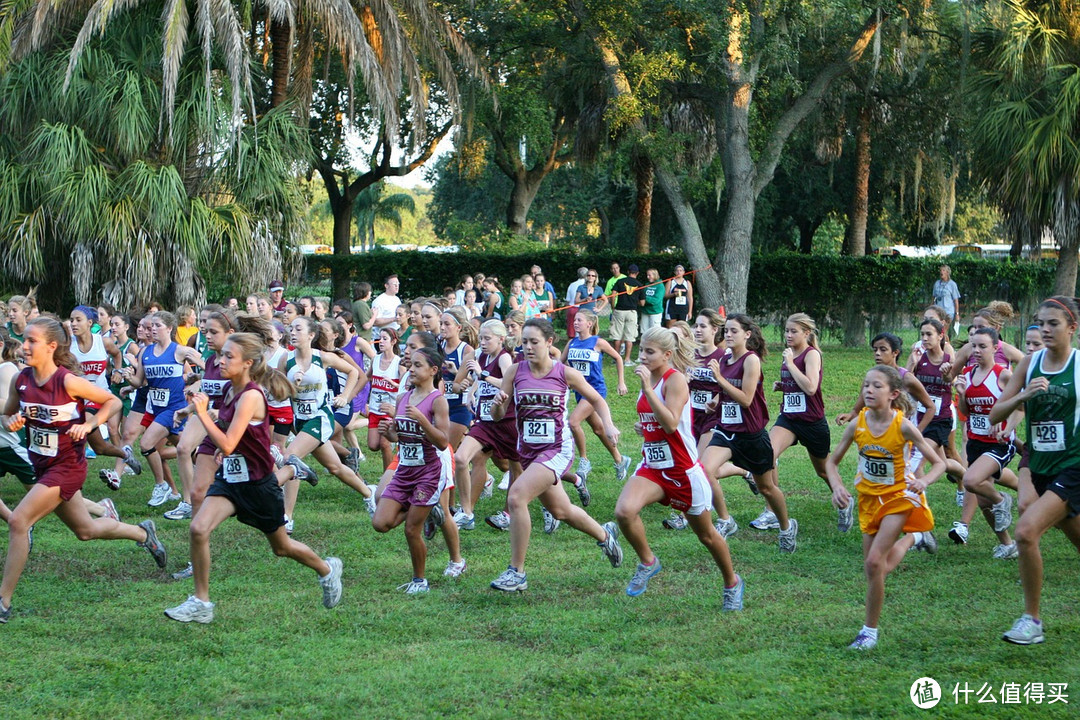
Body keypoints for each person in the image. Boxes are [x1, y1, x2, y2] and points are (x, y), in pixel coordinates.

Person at [164, 332, 342, 622]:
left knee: (281, 547)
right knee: (198, 528)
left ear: (247, 363)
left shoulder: (251, 395)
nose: (221, 360)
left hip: (258, 485)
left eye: (228, 357)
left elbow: (228, 442)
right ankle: (201, 603)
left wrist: (202, 414)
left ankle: (327, 569)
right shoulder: (232, 391)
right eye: (222, 355)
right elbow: (233, 438)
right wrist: (221, 440)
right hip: (231, 481)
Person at [0, 317, 167, 623]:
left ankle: (3, 601)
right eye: (24, 340)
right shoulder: (21, 380)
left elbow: (112, 402)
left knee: (19, 522)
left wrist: (90, 423)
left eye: (31, 341)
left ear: (52, 346)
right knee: (85, 531)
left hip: (67, 467)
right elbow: (8, 411)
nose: (23, 346)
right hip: (43, 466)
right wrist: (10, 421)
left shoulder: (66, 381)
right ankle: (143, 533)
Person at [488, 318, 624, 592]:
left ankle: (517, 572)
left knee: (516, 497)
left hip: (556, 449)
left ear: (550, 343)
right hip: (528, 451)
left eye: (534, 341)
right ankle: (604, 534)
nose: (527, 347)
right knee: (561, 511)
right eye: (524, 341)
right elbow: (498, 415)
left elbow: (597, 398)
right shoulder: (514, 372)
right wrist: (498, 406)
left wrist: (608, 424)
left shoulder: (564, 373)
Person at [613, 327, 744, 607]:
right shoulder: (650, 378)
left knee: (707, 536)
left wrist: (648, 389)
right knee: (624, 512)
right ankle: (648, 562)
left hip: (683, 470)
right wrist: (643, 426)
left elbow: (671, 423)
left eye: (650, 352)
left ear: (667, 355)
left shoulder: (675, 381)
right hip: (653, 467)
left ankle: (731, 582)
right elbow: (655, 421)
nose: (643, 356)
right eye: (641, 350)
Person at [825, 365, 944, 651]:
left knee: (874, 562)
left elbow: (940, 463)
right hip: (868, 499)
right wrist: (838, 487)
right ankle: (915, 538)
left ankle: (869, 632)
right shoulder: (858, 423)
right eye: (866, 385)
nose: (868, 390)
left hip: (899, 497)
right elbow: (831, 462)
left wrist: (925, 480)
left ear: (893, 394)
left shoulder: (903, 425)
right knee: (876, 570)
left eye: (876, 386)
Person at [989, 296, 1080, 645]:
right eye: (1041, 323)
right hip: (1040, 466)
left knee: (1026, 531)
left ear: (1071, 327)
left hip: (1073, 467)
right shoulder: (1030, 363)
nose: (1045, 329)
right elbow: (997, 414)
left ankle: (1032, 620)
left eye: (1053, 323)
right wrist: (1022, 396)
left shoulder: (1078, 365)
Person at [700, 314, 798, 552]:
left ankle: (786, 527)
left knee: (766, 488)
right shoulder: (724, 359)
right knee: (704, 471)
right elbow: (726, 392)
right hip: (726, 431)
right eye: (727, 331)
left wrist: (719, 380)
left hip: (751, 434)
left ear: (747, 334)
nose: (729, 335)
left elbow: (745, 399)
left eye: (734, 331)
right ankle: (726, 520)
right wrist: (715, 400)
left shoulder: (750, 360)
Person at [372, 346, 457, 594]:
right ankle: (425, 507)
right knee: (380, 522)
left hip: (429, 471)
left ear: (433, 370)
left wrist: (422, 419)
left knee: (411, 529)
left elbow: (443, 441)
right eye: (411, 365)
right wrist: (388, 432)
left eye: (418, 365)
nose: (411, 369)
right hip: (405, 470)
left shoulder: (437, 401)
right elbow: (400, 437)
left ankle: (420, 581)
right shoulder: (403, 398)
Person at [954, 327, 1018, 557]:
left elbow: (1020, 408)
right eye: (973, 346)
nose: (977, 351)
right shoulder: (968, 374)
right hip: (976, 442)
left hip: (999, 443)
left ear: (995, 347)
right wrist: (961, 394)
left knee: (971, 480)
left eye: (982, 346)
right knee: (982, 502)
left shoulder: (1003, 375)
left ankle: (1003, 499)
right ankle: (1008, 545)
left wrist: (1007, 428)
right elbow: (965, 411)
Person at [767, 314, 835, 529]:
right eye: (786, 330)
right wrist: (783, 386)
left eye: (793, 331)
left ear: (806, 333)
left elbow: (811, 387)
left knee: (823, 471)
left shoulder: (811, 355)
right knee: (768, 453)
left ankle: (844, 500)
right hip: (788, 418)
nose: (788, 335)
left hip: (811, 421)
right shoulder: (789, 353)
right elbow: (797, 384)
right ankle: (772, 511)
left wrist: (789, 364)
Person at [563, 309, 630, 500]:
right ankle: (620, 459)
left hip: (595, 392)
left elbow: (617, 357)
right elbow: (560, 364)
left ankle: (584, 460)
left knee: (573, 422)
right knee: (599, 429)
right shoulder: (572, 342)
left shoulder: (598, 342)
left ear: (589, 323)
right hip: (579, 391)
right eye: (575, 320)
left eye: (579, 320)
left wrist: (621, 382)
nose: (575, 323)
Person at [609, 264, 643, 365]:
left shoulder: (620, 281)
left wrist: (613, 306)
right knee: (630, 336)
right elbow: (642, 303)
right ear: (637, 273)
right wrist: (634, 301)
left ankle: (616, 358)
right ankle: (627, 360)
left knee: (617, 335)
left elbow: (613, 294)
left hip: (619, 311)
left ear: (628, 272)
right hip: (632, 312)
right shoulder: (640, 285)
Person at [371, 275, 401, 341]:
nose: (397, 286)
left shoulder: (397, 299)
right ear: (386, 286)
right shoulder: (379, 301)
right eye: (394, 284)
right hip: (382, 339)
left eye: (398, 284)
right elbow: (375, 321)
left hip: (396, 336)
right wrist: (394, 319)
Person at [638, 267, 665, 343]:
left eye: (649, 275)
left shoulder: (660, 286)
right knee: (644, 333)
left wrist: (645, 300)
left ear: (655, 275)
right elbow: (641, 296)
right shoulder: (646, 285)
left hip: (655, 312)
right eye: (647, 275)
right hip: (645, 312)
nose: (648, 277)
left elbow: (656, 300)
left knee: (655, 333)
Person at [931, 265, 961, 332]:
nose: (941, 272)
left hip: (948, 311)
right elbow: (933, 297)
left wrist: (957, 314)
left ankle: (945, 342)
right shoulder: (937, 283)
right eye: (940, 270)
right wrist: (931, 308)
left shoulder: (952, 284)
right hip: (938, 311)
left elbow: (956, 300)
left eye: (943, 270)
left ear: (947, 273)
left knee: (943, 331)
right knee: (936, 330)